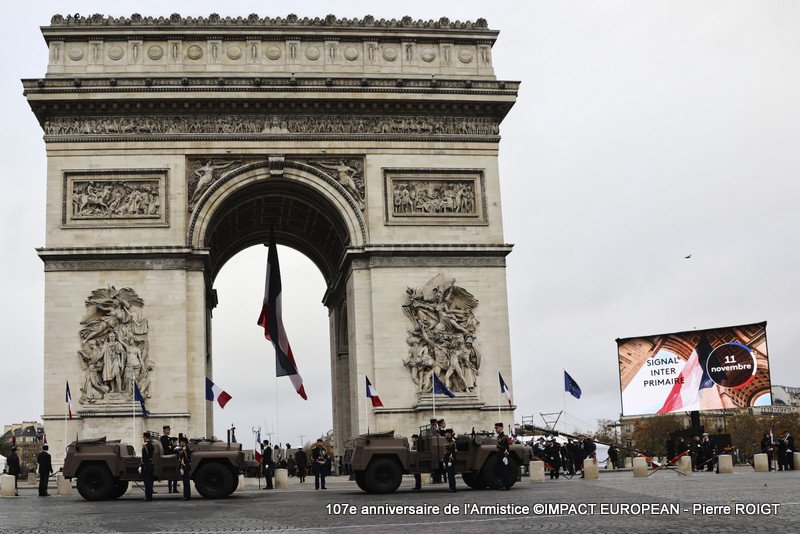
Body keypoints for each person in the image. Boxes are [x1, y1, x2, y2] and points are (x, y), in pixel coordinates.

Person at [160, 425, 178, 493]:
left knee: (174, 473)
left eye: (169, 430)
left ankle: (174, 488)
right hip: (168, 455)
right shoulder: (164, 438)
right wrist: (174, 448)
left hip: (170, 454)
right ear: (164, 431)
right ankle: (170, 489)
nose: (169, 431)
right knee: (170, 474)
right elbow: (167, 447)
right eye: (168, 430)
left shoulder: (168, 438)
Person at [495, 422, 511, 490]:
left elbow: (506, 448)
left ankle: (506, 485)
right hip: (499, 456)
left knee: (505, 471)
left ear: (501, 428)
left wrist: (506, 456)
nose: (496, 430)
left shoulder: (505, 437)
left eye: (497, 428)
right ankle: (503, 484)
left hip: (504, 456)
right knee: (501, 471)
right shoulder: (499, 437)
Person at [140, 431, 155, 500]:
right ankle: (149, 496)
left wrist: (141, 465)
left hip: (146, 465)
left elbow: (144, 457)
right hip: (150, 464)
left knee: (147, 482)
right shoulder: (151, 445)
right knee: (150, 481)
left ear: (145, 437)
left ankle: (148, 496)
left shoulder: (145, 445)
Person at [178, 435, 191, 500]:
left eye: (181, 442)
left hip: (184, 467)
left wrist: (181, 467)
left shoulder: (184, 449)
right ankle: (187, 495)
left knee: (186, 482)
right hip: (186, 467)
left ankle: (186, 496)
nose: (180, 443)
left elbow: (183, 459)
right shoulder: (185, 448)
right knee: (186, 482)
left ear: (183, 442)